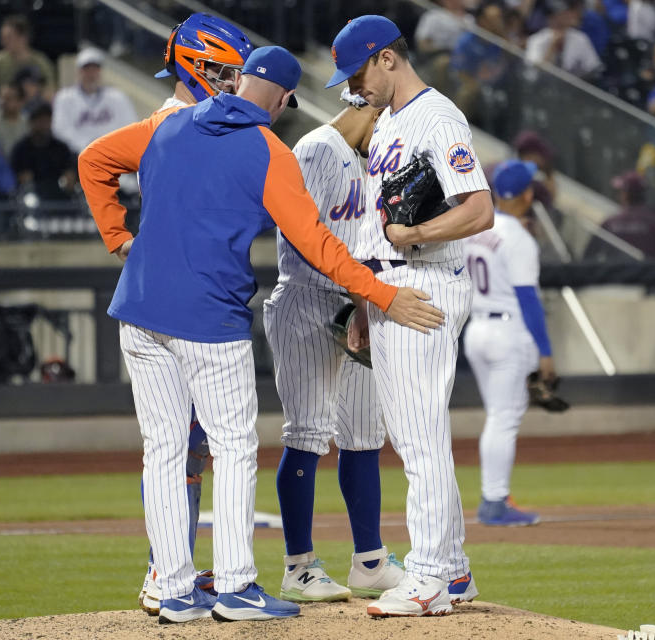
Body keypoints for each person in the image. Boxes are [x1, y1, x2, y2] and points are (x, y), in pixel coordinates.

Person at [79, 44, 443, 623]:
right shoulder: (266, 149)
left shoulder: (167, 127)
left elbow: (93, 160)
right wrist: (385, 295)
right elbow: (319, 246)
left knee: (165, 451)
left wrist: (115, 236)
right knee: (233, 447)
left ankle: (172, 589)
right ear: (283, 99)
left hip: (140, 314)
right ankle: (237, 587)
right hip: (207, 321)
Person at [326, 14, 494, 617]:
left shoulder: (436, 117)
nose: (353, 87)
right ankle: (451, 570)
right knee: (414, 437)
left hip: (424, 286)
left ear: (387, 59)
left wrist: (416, 232)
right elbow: (379, 225)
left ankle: (427, 578)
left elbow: (479, 210)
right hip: (391, 286)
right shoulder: (391, 119)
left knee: (421, 441)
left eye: (357, 72)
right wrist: (369, 298)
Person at [262, 89, 405, 604]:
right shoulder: (318, 149)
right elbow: (304, 235)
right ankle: (297, 566)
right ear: (368, 107)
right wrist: (356, 299)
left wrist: (364, 305)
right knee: (307, 432)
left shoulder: (374, 162)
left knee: (365, 432)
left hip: (358, 304)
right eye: (387, 117)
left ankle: (370, 561)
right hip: (308, 298)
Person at [134, 12, 253, 618]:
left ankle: (172, 567)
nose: (231, 83)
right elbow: (93, 160)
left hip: (172, 294)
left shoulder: (195, 123)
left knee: (189, 446)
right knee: (178, 445)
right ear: (192, 66)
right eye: (221, 71)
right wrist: (115, 238)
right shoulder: (172, 125)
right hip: (181, 304)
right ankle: (163, 571)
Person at [463, 160, 554, 527]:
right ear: (528, 195)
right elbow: (529, 300)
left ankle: (496, 493)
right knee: (503, 419)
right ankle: (494, 501)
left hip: (477, 329)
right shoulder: (519, 238)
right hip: (507, 333)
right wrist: (546, 352)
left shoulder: (476, 226)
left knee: (497, 417)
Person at [51, 47, 137, 155]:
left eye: (95, 69)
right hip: (77, 156)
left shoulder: (117, 97)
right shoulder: (65, 97)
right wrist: (86, 146)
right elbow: (60, 130)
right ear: (79, 71)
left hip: (113, 155)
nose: (91, 74)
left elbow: (130, 127)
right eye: (87, 69)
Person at [586, 170, 655, 259]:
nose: (618, 195)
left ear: (625, 195)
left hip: (617, 273)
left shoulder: (610, 223)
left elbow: (588, 257)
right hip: (652, 273)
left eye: (620, 191)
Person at [0, 15, 56, 97]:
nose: (2, 42)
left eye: (8, 38)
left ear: (23, 37)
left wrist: (36, 91)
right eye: (2, 38)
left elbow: (51, 91)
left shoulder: (41, 62)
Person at [525, 0, 602, 78]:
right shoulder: (537, 40)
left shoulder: (580, 38)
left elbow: (594, 69)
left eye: (566, 12)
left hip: (570, 87)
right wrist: (552, 47)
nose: (565, 16)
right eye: (560, 14)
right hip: (542, 86)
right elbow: (534, 74)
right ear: (552, 17)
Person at [10, 101, 75, 193]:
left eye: (47, 120)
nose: (44, 125)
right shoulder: (21, 149)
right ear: (31, 122)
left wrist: (69, 178)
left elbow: (70, 172)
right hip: (30, 196)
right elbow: (15, 176)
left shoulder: (61, 148)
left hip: (58, 196)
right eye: (40, 120)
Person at [0, 82, 27, 158]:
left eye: (8, 99)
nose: (3, 102)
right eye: (1, 97)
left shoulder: (28, 123)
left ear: (21, 102)